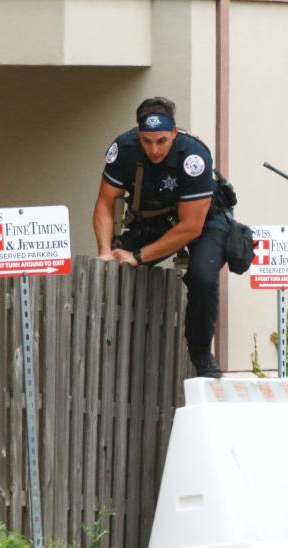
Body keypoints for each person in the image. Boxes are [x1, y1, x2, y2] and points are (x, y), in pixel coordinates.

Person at [92, 96, 231, 378]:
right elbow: (105, 203)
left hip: (203, 221)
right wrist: (106, 250)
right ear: (138, 134)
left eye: (162, 141)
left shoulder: (193, 156)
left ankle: (201, 353)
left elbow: (191, 227)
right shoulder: (124, 149)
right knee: (114, 268)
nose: (154, 149)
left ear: (175, 133)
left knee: (202, 276)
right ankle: (108, 345)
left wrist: (139, 256)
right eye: (147, 141)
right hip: (155, 220)